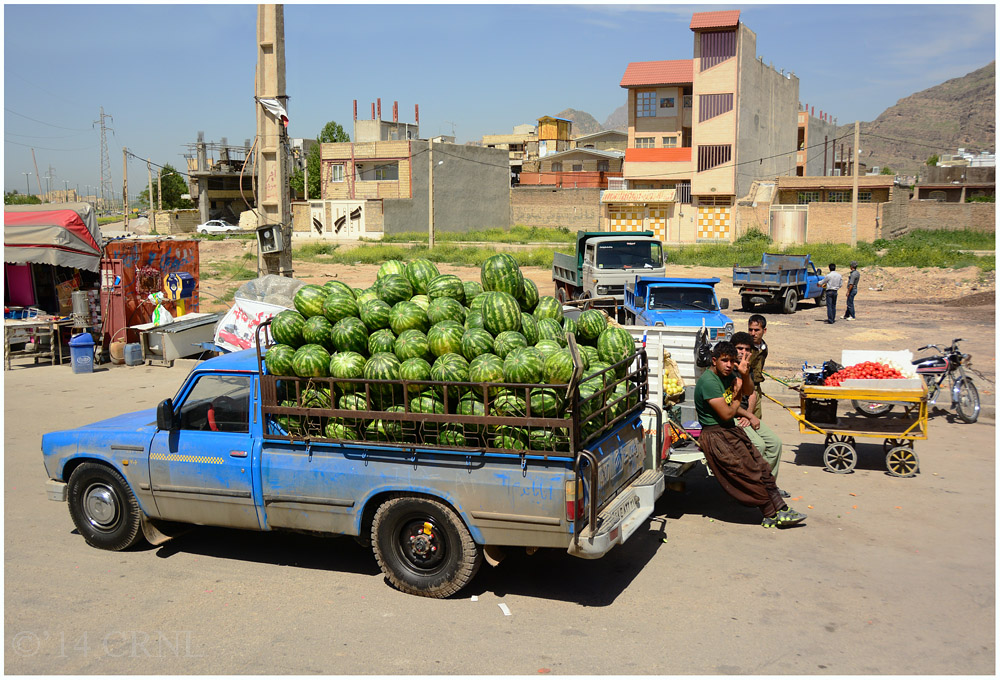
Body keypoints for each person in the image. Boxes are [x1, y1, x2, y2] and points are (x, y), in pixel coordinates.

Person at [693, 340, 806, 529]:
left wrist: (745, 376)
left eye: (732, 361)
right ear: (714, 361)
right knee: (749, 474)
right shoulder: (709, 382)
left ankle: (779, 510)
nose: (729, 365)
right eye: (724, 361)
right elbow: (728, 412)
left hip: (729, 430)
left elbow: (748, 391)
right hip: (717, 435)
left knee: (761, 467)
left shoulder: (726, 376)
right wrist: (738, 399)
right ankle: (772, 512)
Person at [731, 331, 788, 498]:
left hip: (745, 416)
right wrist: (746, 416)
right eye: (739, 348)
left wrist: (749, 414)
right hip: (732, 417)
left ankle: (769, 486)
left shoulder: (747, 368)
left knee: (775, 443)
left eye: (747, 349)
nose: (743, 352)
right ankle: (757, 489)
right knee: (759, 446)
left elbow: (752, 394)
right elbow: (729, 403)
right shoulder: (728, 368)